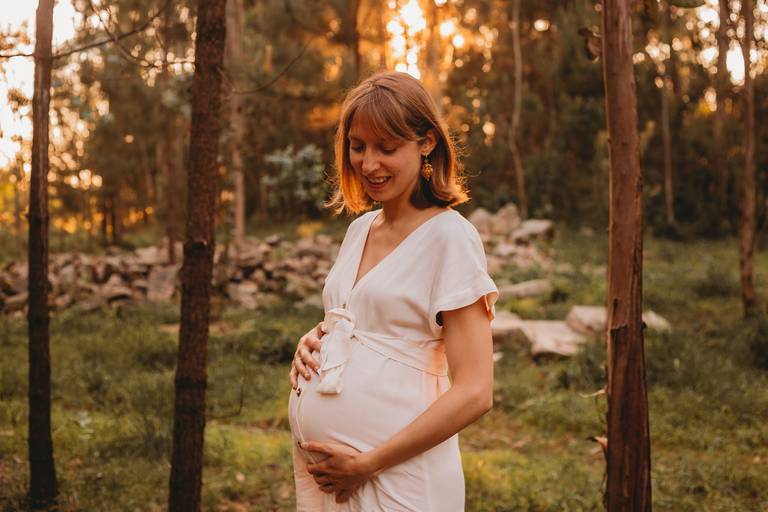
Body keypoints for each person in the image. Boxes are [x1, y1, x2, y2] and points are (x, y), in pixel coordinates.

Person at [286, 70, 498, 511]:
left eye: (387, 147)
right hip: (334, 482)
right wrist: (318, 339)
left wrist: (369, 463)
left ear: (426, 142)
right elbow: (364, 324)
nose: (368, 164)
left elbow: (476, 391)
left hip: (400, 478)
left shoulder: (449, 238)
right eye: (358, 146)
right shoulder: (361, 229)